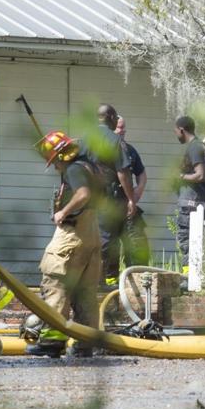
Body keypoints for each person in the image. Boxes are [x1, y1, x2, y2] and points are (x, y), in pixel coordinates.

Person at [26, 130, 104, 357]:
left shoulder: (74, 169)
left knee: (55, 283)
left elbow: (83, 194)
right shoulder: (90, 167)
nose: (54, 167)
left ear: (61, 156)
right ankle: (85, 343)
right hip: (92, 232)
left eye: (53, 162)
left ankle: (52, 342)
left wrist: (62, 212)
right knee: (85, 293)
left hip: (72, 233)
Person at [85, 104, 136, 287]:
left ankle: (94, 279)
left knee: (92, 237)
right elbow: (123, 172)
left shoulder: (85, 139)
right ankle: (100, 282)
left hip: (88, 198)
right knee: (108, 239)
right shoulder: (115, 141)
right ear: (111, 117)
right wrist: (130, 198)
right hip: (109, 198)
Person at [109, 115, 151, 281]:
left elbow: (141, 174)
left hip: (128, 206)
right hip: (108, 206)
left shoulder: (130, 150)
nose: (123, 130)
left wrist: (138, 191)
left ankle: (137, 281)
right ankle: (108, 281)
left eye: (124, 127)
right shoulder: (101, 151)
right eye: (119, 127)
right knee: (108, 246)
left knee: (136, 244)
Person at [174, 115, 205, 273]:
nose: (175, 135)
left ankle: (189, 277)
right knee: (192, 241)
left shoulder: (195, 147)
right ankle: (192, 275)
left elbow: (200, 175)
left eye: (175, 131)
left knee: (187, 240)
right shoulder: (197, 146)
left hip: (192, 204)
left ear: (181, 130)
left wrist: (181, 177)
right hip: (193, 203)